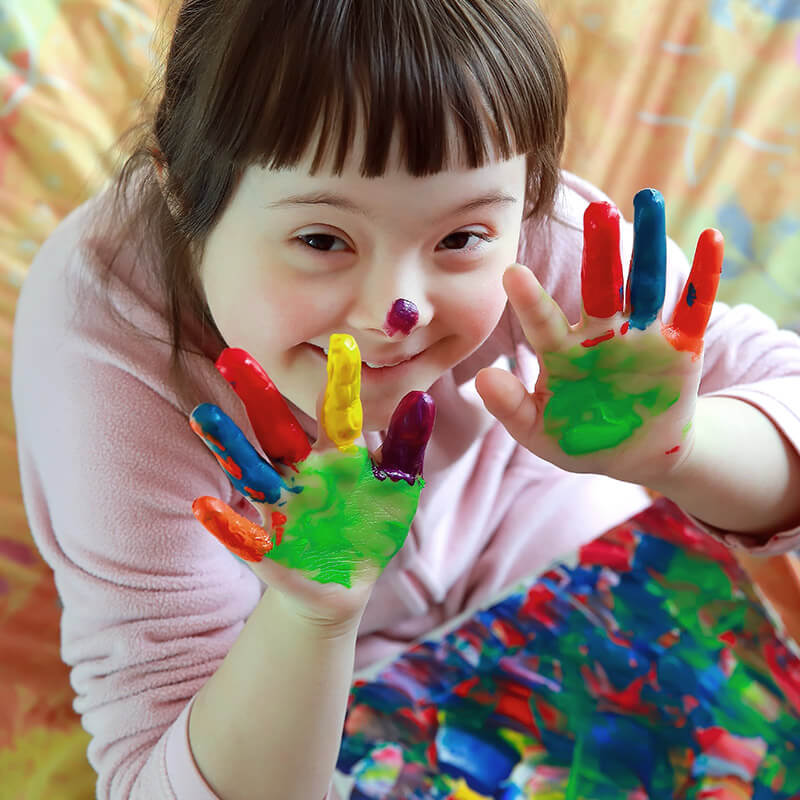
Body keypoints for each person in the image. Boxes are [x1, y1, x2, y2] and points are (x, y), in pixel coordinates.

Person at [10, 1, 800, 798]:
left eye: (460, 240)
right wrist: (310, 617)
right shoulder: (103, 345)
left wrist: (681, 448)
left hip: (553, 548)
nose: (398, 312)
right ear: (182, 192)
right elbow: (153, 778)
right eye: (322, 240)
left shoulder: (523, 216)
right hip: (290, 682)